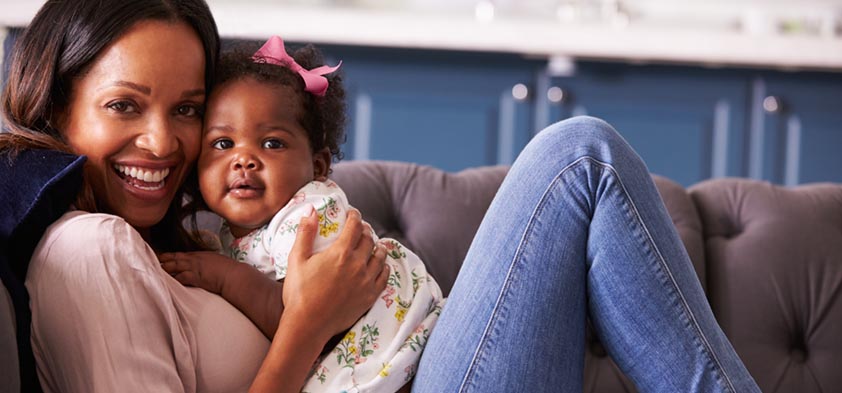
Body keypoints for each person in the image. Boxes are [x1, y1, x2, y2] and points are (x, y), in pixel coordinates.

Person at [0, 1, 762, 393]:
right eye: (125, 106)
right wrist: (304, 324)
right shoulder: (87, 250)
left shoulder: (171, 239)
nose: (165, 143)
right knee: (578, 157)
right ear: (57, 103)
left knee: (582, 159)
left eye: (188, 109)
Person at [158, 36, 444, 393]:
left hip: (427, 361)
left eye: (272, 143)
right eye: (222, 143)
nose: (243, 158)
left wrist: (222, 276)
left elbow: (300, 317)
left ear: (318, 166)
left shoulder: (311, 215)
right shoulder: (234, 236)